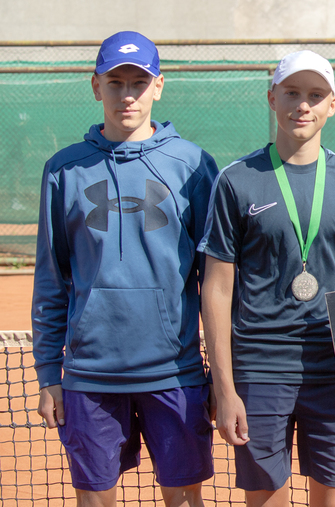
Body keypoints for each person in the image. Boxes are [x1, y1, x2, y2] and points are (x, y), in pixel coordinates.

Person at [32, 31, 218, 507]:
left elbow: (216, 283)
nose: (128, 95)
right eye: (115, 82)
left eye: (139, 82)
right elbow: (51, 280)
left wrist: (222, 375)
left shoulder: (194, 165)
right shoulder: (64, 170)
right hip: (89, 378)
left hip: (175, 373)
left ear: (159, 86)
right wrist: (49, 373)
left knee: (185, 499)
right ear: (96, 86)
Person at [199, 49, 335, 507]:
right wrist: (224, 387)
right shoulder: (236, 180)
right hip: (259, 368)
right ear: (272, 98)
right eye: (291, 93)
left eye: (315, 95)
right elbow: (217, 288)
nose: (302, 105)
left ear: (332, 105)